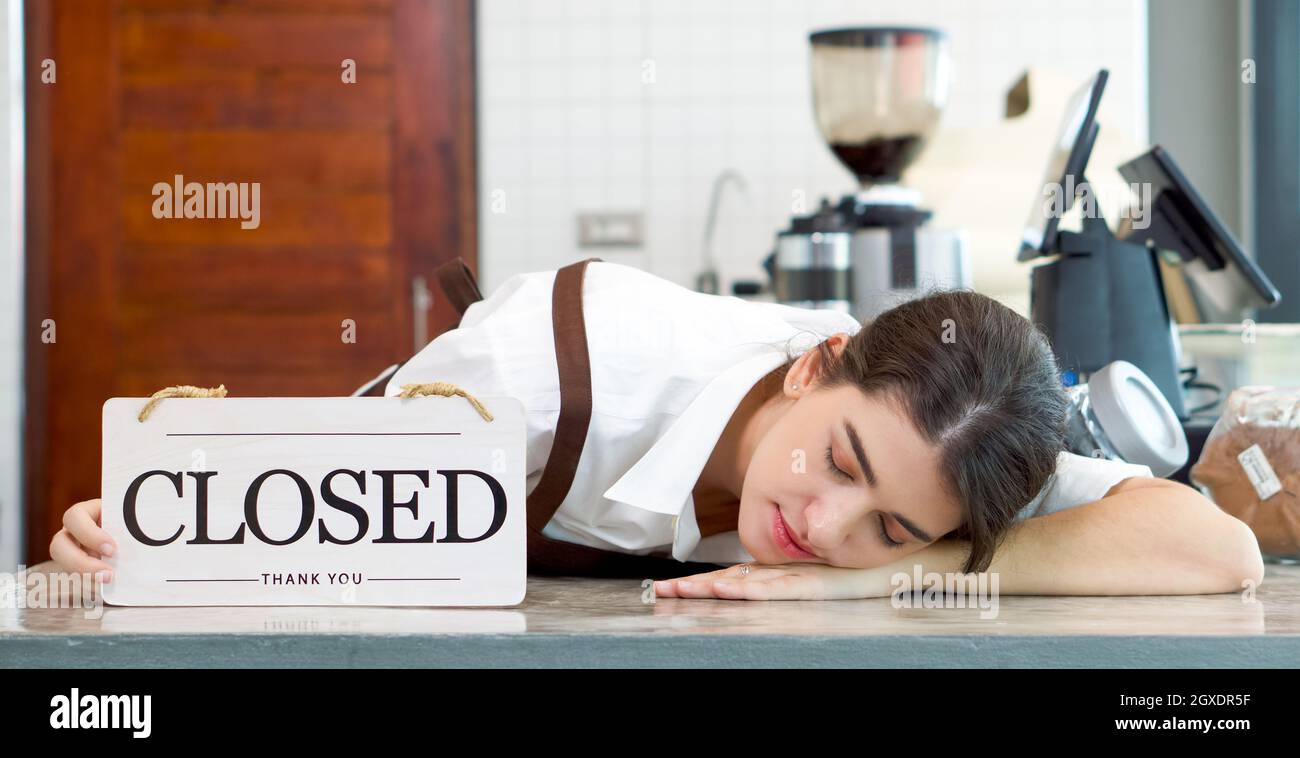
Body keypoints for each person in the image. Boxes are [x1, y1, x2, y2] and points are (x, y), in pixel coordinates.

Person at [51, 261, 1264, 600]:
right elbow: (285, 505)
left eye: (888, 523)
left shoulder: (967, 440)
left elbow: (1218, 551)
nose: (822, 522)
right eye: (839, 461)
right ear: (812, 364)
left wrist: (901, 574)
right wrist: (142, 536)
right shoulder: (548, 360)